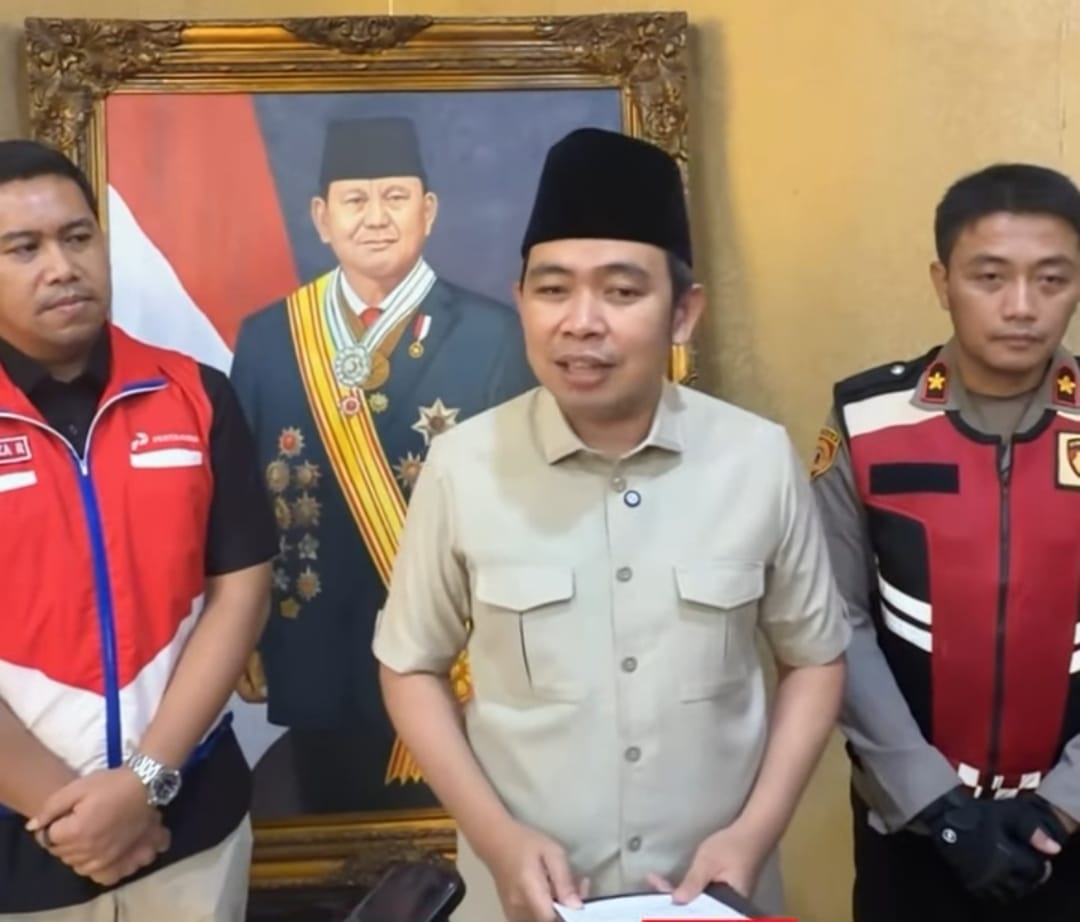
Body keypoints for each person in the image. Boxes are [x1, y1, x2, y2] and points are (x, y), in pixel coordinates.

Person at [372, 126, 851, 922]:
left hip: (712, 898)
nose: (581, 322)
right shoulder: (462, 467)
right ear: (520, 300)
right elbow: (409, 667)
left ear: (684, 313)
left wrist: (754, 835)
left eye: (622, 293)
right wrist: (496, 839)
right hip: (526, 902)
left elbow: (816, 660)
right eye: (553, 290)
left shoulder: (757, 459)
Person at [0, 139, 276, 920]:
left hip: (192, 828)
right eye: (24, 248)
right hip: (21, 847)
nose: (62, 267)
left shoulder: (196, 395)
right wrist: (73, 815)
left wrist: (144, 784)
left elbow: (240, 593)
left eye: (77, 237)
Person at [230, 116, 537, 817]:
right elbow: (242, 503)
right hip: (314, 655)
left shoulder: (494, 336)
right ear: (322, 217)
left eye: (396, 197)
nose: (375, 218)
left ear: (428, 211)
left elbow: (525, 505)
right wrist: (243, 631)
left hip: (460, 660)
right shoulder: (271, 337)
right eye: (355, 200)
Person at [812, 162, 1080, 922]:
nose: (1021, 306)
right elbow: (833, 619)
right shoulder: (867, 419)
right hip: (910, 832)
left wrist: (1062, 804)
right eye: (990, 277)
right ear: (943, 281)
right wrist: (935, 805)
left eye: (1052, 280)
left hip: (1070, 832)